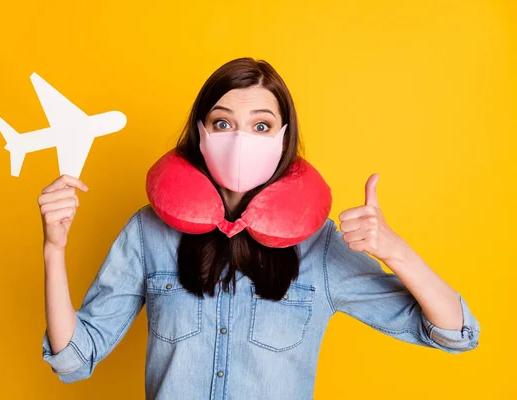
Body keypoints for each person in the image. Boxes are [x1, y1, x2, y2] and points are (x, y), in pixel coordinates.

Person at [39, 58, 480, 399]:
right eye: (224, 123)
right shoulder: (148, 232)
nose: (240, 139)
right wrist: (54, 250)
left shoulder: (320, 244)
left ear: (283, 137)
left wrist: (395, 251)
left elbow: (455, 333)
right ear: (201, 131)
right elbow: (75, 360)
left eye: (261, 125)